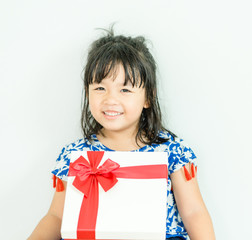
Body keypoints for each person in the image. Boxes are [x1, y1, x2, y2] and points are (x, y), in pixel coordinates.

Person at [28, 28, 215, 240]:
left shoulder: (171, 150)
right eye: (100, 88)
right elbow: (56, 217)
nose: (110, 99)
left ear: (148, 98)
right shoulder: (76, 154)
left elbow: (194, 212)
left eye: (125, 90)